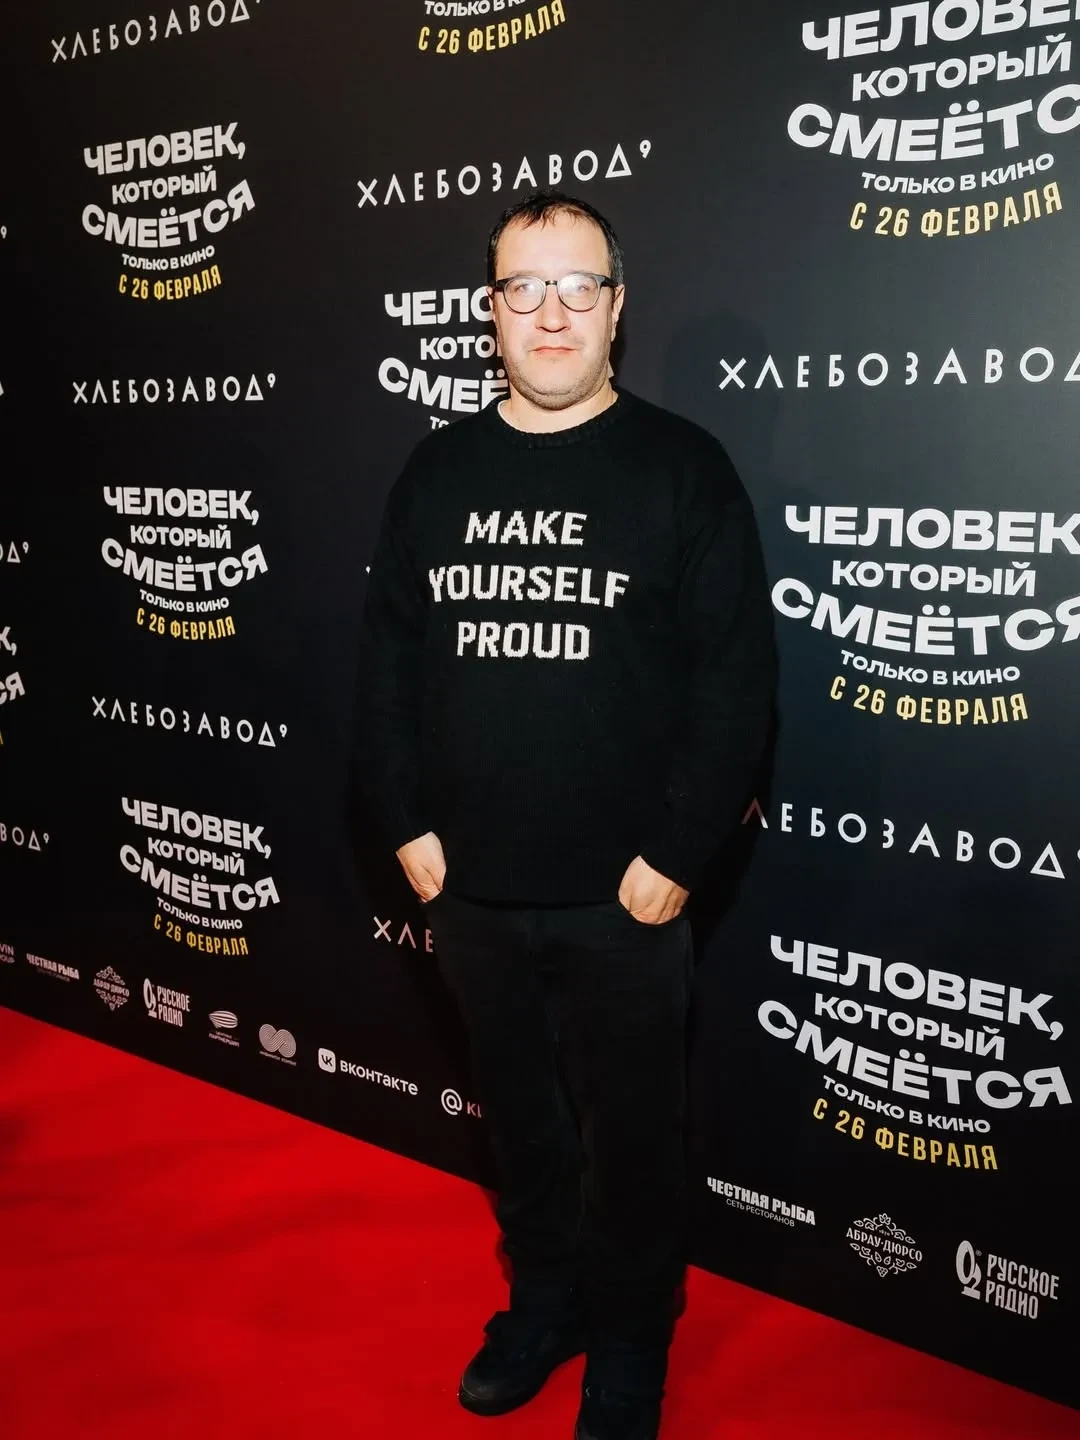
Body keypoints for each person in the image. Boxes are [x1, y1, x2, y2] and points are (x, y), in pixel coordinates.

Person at [357, 190, 776, 1440]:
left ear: (616, 307)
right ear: (490, 310)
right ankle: (546, 1298)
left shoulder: (684, 469)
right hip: (470, 891)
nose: (551, 313)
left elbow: (737, 687)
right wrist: (407, 828)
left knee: (635, 1140)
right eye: (523, 288)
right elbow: (386, 668)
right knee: (524, 1126)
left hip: (624, 901)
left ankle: (633, 1340)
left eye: (577, 286)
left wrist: (675, 857)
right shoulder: (436, 472)